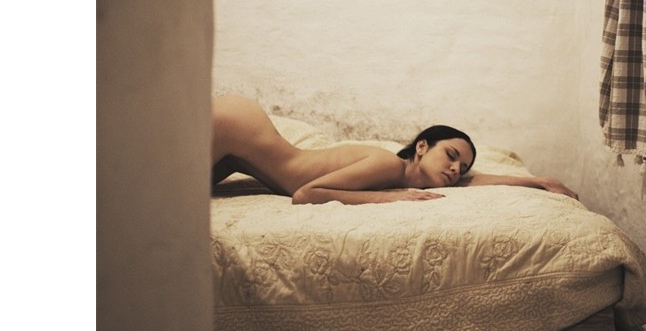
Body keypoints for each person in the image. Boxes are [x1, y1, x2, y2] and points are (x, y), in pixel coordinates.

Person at [212, 94, 579, 205]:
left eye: (461, 167)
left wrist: (538, 181)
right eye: (451, 156)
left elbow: (474, 180)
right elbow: (306, 194)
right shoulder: (389, 165)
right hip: (241, 129)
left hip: (242, 153)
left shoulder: (410, 173)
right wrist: (392, 198)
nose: (456, 169)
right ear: (421, 147)